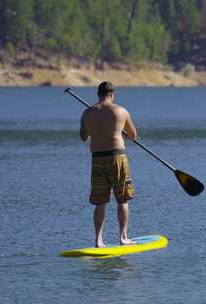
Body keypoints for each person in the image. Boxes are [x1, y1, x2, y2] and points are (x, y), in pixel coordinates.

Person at [80, 81, 138, 248]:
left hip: (97, 159)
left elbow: (84, 137)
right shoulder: (121, 111)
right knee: (122, 199)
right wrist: (120, 130)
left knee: (100, 202)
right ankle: (123, 237)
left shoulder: (87, 113)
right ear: (112, 94)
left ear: (98, 94)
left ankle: (98, 241)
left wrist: (95, 129)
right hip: (117, 158)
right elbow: (133, 135)